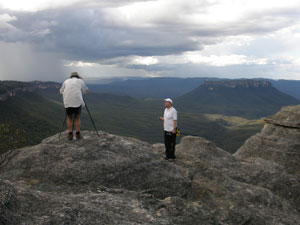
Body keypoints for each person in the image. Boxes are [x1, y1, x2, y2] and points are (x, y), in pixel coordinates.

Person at [60, 72, 88, 140]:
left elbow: (61, 91)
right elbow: (85, 91)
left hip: (67, 101)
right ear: (77, 76)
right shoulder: (80, 81)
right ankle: (78, 134)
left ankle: (70, 134)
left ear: (71, 77)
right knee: (77, 117)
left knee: (69, 118)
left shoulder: (66, 81)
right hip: (77, 101)